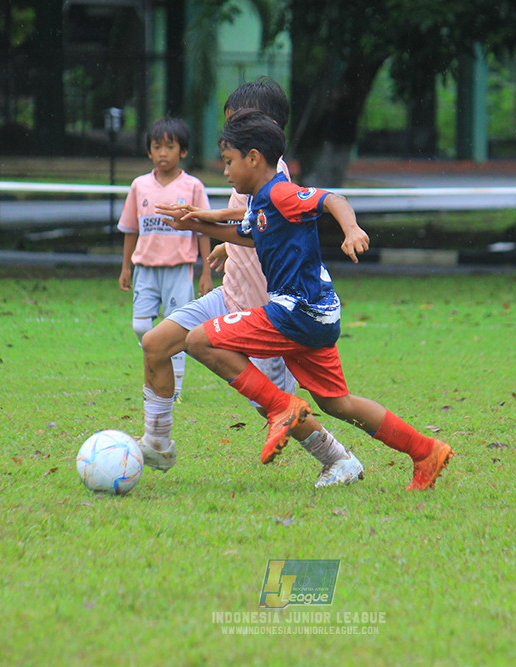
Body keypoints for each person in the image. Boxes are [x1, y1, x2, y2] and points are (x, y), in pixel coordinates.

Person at [161, 109, 453, 490]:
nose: (226, 171)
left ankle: (281, 406)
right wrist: (192, 223)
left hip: (295, 311)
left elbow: (333, 198)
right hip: (317, 315)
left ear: (253, 158)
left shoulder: (281, 192)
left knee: (198, 340)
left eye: (229, 162)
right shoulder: (262, 200)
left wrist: (351, 229)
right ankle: (425, 450)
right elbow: (248, 235)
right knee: (337, 403)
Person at [138, 79, 364, 489]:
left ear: (267, 130)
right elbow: (246, 225)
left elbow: (268, 228)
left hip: (267, 316)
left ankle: (340, 459)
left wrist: (202, 221)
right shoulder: (250, 175)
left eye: (239, 126)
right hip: (229, 297)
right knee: (156, 342)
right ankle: (157, 443)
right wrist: (222, 241)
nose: (230, 141)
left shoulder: (275, 182)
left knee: (273, 409)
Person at [117, 117, 212, 400]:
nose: (162, 153)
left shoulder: (193, 186)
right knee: (141, 326)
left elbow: (203, 230)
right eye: (156, 147)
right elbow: (130, 228)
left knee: (177, 328)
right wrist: (126, 266)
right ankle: (155, 364)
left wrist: (206, 271)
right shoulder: (139, 186)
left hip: (178, 269)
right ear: (148, 151)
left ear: (182, 151)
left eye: (169, 147)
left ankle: (175, 388)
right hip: (145, 268)